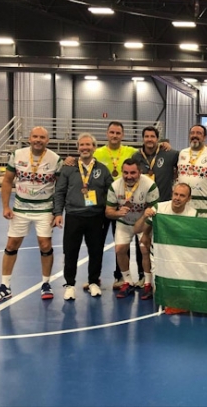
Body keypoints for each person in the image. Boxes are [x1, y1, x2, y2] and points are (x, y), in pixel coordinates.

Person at [0, 127, 63, 303]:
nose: (38, 140)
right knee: (12, 243)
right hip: (20, 208)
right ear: (29, 138)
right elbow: (7, 181)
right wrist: (5, 206)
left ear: (47, 140)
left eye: (42, 137)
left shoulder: (55, 159)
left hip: (44, 208)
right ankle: (4, 286)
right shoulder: (17, 155)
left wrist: (57, 212)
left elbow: (60, 189)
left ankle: (46, 283)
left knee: (45, 244)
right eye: (35, 136)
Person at [53, 133, 113, 300]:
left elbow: (111, 192)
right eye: (82, 145)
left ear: (94, 147)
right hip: (74, 215)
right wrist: (58, 213)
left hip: (96, 216)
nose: (85, 148)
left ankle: (93, 282)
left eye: (88, 145)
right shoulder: (68, 168)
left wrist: (110, 209)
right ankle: (70, 284)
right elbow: (59, 192)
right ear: (78, 148)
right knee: (71, 251)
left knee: (96, 251)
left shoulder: (102, 169)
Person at [93, 121, 144, 290]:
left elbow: (150, 152)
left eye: (118, 133)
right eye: (112, 132)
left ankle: (121, 277)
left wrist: (164, 144)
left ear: (122, 135)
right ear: (107, 134)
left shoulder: (131, 151)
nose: (114, 136)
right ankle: (95, 277)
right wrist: (71, 159)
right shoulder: (97, 153)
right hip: (103, 205)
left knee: (122, 242)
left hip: (125, 205)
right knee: (97, 243)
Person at [105, 159, 159, 299]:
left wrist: (142, 225)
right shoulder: (115, 186)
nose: (129, 176)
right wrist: (117, 213)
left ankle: (147, 283)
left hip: (144, 222)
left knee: (144, 249)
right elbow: (108, 211)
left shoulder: (149, 185)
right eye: (126, 173)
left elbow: (153, 209)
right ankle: (127, 281)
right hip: (124, 222)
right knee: (119, 250)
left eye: (133, 173)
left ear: (140, 172)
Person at [133, 183, 197, 302]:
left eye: (182, 196)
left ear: (189, 199)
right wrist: (144, 217)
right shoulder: (159, 208)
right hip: (159, 255)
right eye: (175, 194)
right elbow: (136, 229)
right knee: (162, 293)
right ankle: (149, 283)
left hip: (180, 256)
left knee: (179, 294)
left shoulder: (193, 214)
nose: (177, 198)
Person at [177, 124, 207, 217]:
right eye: (192, 133)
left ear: (205, 137)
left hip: (205, 209)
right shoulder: (182, 153)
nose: (195, 135)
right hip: (184, 208)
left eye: (199, 133)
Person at [131, 126, 179, 202]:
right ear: (143, 139)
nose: (149, 139)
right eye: (147, 136)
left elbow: (185, 160)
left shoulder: (169, 154)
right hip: (143, 202)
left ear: (157, 139)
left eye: (152, 136)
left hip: (163, 202)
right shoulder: (136, 156)